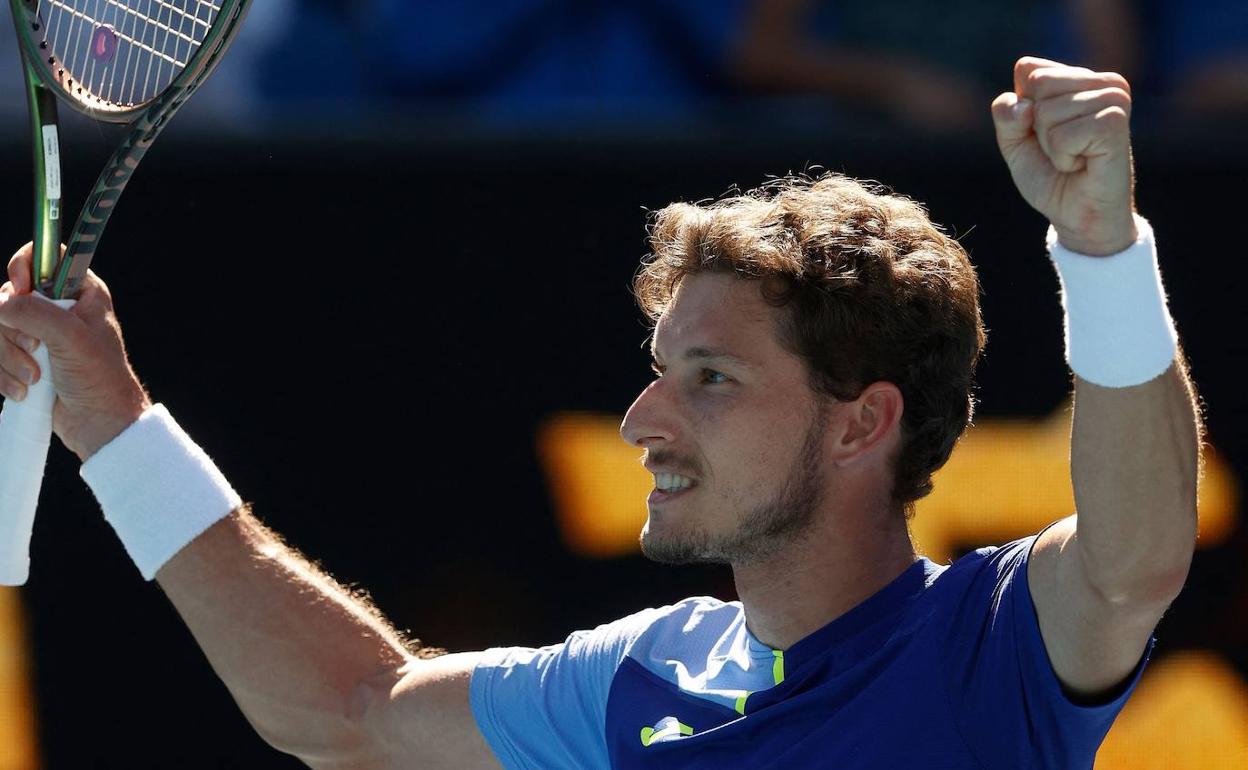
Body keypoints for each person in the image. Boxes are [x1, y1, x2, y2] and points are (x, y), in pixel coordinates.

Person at [0, 57, 1201, 768]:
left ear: (858, 422)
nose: (641, 418)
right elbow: (349, 709)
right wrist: (110, 416)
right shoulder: (639, 674)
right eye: (661, 366)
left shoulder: (987, 646)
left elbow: (1134, 555)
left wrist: (1102, 250)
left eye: (709, 378)